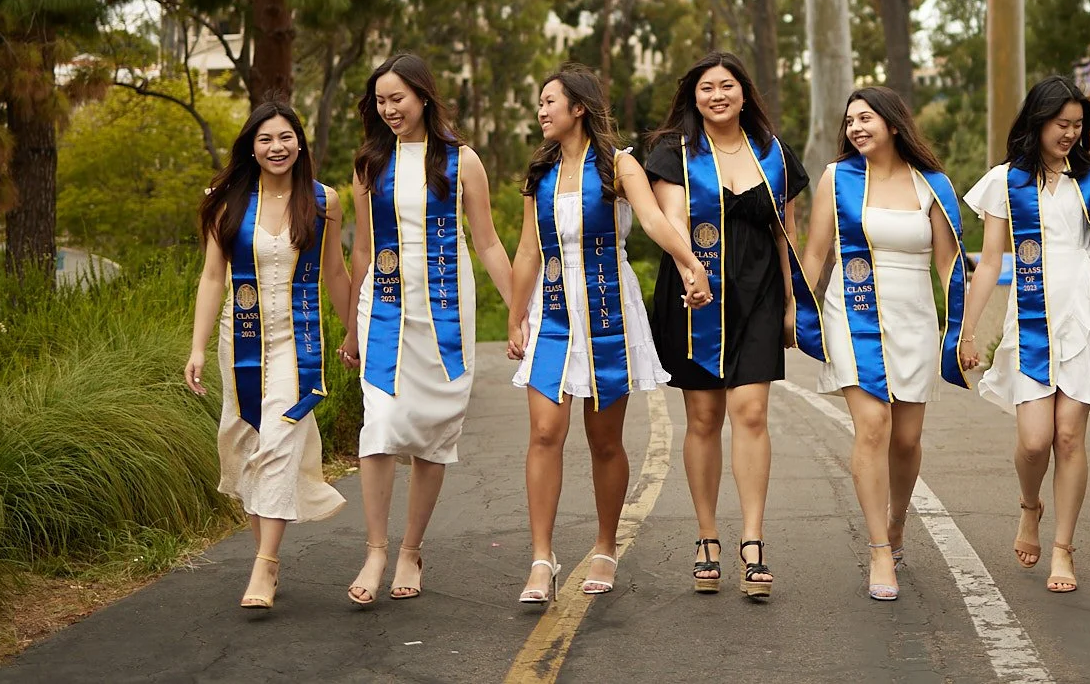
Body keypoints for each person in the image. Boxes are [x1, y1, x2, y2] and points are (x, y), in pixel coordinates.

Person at [506, 64, 712, 605]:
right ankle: (541, 557)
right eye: (540, 102)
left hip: (607, 314)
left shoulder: (619, 165)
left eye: (549, 101)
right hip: (553, 311)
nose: (541, 110)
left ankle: (604, 546)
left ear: (578, 108)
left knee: (604, 440)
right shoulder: (540, 172)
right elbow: (528, 249)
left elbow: (654, 222)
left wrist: (691, 264)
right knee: (545, 433)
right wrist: (515, 314)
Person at [955, 76, 1090, 594]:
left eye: (1078, 125)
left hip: (1086, 315)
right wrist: (967, 330)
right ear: (1038, 122)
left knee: (1068, 437)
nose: (1070, 134)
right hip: (1033, 318)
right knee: (1035, 440)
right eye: (1061, 124)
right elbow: (989, 261)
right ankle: (1030, 505)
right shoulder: (1006, 180)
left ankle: (1063, 548)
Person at [338, 54, 516, 606]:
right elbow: (362, 249)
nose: (389, 109)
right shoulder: (370, 163)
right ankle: (375, 549)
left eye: (398, 98)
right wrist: (351, 329)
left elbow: (487, 241)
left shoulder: (462, 161)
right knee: (380, 424)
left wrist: (519, 311)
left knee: (434, 431)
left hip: (445, 308)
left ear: (423, 96)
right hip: (385, 308)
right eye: (380, 101)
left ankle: (411, 550)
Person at [644, 51, 814, 599]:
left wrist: (793, 301)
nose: (717, 95)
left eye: (727, 86)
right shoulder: (674, 152)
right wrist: (691, 273)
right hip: (695, 294)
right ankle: (707, 536)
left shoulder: (773, 153)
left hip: (759, 291)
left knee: (752, 411)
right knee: (703, 417)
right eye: (706, 88)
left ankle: (753, 541)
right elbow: (672, 222)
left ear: (744, 93)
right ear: (693, 97)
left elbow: (786, 233)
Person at [797, 86, 968, 602]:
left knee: (906, 439)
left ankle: (897, 521)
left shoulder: (932, 184)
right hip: (852, 312)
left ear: (893, 124)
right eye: (850, 120)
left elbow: (949, 266)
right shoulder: (838, 179)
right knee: (873, 426)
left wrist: (963, 330)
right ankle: (878, 550)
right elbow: (816, 254)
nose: (855, 128)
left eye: (866, 118)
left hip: (914, 317)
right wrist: (794, 311)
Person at [185, 101, 351, 612]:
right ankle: (267, 557)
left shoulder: (323, 201)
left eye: (285, 137)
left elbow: (335, 271)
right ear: (251, 147)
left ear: (300, 142)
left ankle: (265, 563)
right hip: (240, 341)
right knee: (249, 443)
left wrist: (355, 332)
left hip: (296, 345)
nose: (277, 147)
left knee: (279, 438)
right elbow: (212, 276)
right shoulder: (229, 202)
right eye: (265, 139)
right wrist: (196, 347)